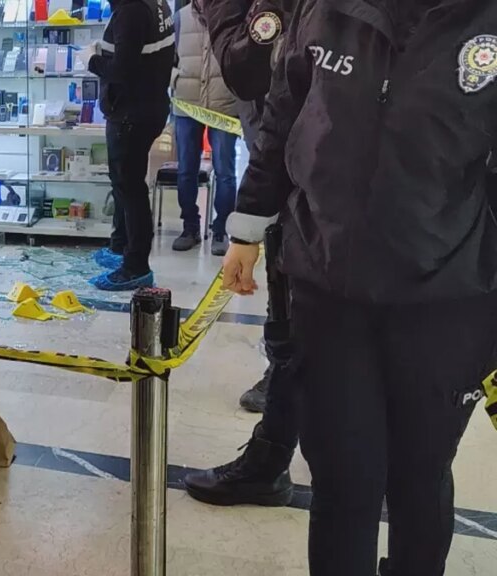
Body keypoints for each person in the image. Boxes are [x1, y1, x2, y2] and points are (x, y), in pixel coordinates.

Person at [222, 1, 497, 574]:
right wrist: (248, 224)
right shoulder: (326, 8)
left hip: (447, 297)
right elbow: (284, 109)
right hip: (328, 286)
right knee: (345, 477)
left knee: (419, 477)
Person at [182, 0, 298, 508]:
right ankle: (273, 452)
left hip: (316, 185)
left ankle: (270, 460)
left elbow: (247, 69)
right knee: (296, 330)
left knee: (300, 330)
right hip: (299, 173)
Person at [79, 0, 174, 291]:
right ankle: (120, 247)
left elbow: (122, 70)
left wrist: (91, 60)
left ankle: (135, 266)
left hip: (131, 114)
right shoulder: (155, 4)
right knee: (124, 184)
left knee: (130, 187)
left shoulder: (131, 10)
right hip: (148, 107)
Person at [171, 0, 239, 257]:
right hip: (187, 104)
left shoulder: (233, 14)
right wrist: (175, 79)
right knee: (186, 170)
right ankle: (190, 227)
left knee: (225, 170)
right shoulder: (179, 18)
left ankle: (221, 229)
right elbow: (169, 56)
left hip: (223, 102)